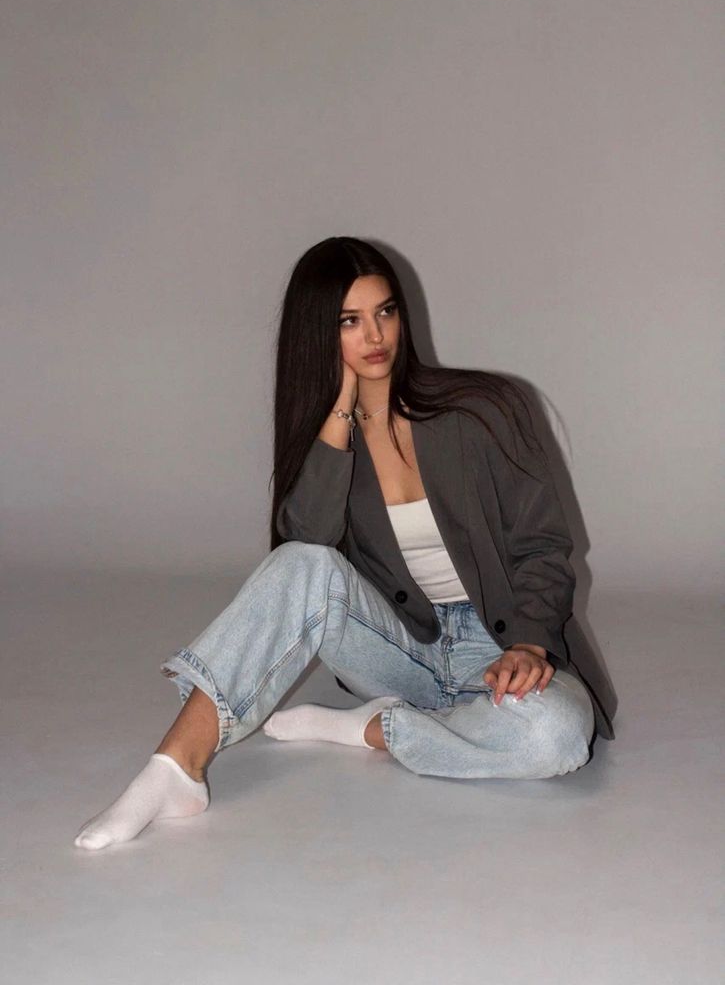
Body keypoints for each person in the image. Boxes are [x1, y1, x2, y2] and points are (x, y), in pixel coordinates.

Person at [74, 236, 616, 851]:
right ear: (318, 334)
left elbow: (542, 545)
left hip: (497, 648)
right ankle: (175, 769)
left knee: (556, 736)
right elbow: (304, 557)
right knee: (301, 562)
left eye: (385, 311)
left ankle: (375, 729)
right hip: (399, 651)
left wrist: (527, 644)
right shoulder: (326, 444)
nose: (375, 336)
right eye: (349, 321)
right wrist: (337, 413)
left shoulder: (484, 410)